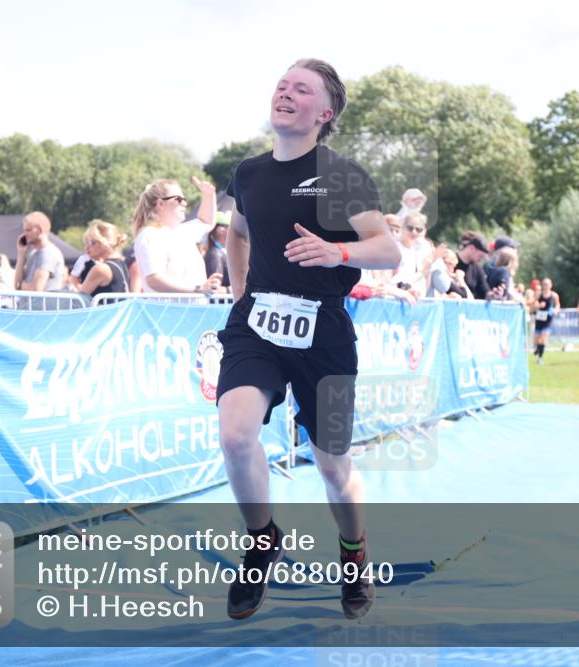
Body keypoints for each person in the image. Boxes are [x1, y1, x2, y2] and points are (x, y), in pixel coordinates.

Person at [217, 58, 401, 621]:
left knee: (334, 467)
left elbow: (388, 250)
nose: (286, 92)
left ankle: (354, 553)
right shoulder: (249, 173)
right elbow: (237, 234)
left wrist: (336, 252)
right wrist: (242, 295)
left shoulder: (341, 175)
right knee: (236, 434)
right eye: (282, 85)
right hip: (257, 326)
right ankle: (262, 540)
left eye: (301, 89)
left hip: (324, 334)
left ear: (324, 113)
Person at [131, 176, 222, 297]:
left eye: (184, 199)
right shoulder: (149, 235)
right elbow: (154, 279)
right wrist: (198, 289)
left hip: (190, 307)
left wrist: (209, 195)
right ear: (160, 203)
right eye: (178, 199)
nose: (184, 203)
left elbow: (206, 221)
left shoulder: (181, 231)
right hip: (167, 309)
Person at [75, 221, 130, 302]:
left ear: (105, 243)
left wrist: (74, 283)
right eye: (86, 243)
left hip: (107, 310)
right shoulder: (121, 264)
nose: (86, 247)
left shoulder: (101, 269)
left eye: (92, 242)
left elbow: (79, 300)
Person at [13, 211, 66, 293]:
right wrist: (21, 254)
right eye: (24, 230)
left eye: (28, 230)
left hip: (42, 301)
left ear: (40, 231)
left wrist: (21, 285)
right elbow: (16, 284)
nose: (24, 234)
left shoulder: (49, 253)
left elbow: (36, 289)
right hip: (28, 301)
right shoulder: (33, 253)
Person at [455, 232, 502, 300]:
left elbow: (485, 291)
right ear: (471, 248)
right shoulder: (450, 261)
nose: (481, 259)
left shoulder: (477, 268)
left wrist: (494, 295)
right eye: (480, 256)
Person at [532, 277, 560, 364]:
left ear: (551, 285)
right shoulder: (539, 295)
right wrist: (538, 305)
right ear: (542, 285)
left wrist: (556, 310)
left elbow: (557, 305)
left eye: (547, 284)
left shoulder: (554, 295)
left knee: (543, 338)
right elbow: (534, 303)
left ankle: (540, 358)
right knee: (537, 339)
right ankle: (538, 348)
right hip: (539, 318)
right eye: (544, 284)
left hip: (548, 319)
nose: (546, 286)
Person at [204, 210, 232, 292]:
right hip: (222, 300)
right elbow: (214, 288)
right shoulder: (215, 254)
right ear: (221, 230)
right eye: (231, 228)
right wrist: (231, 290)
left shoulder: (220, 252)